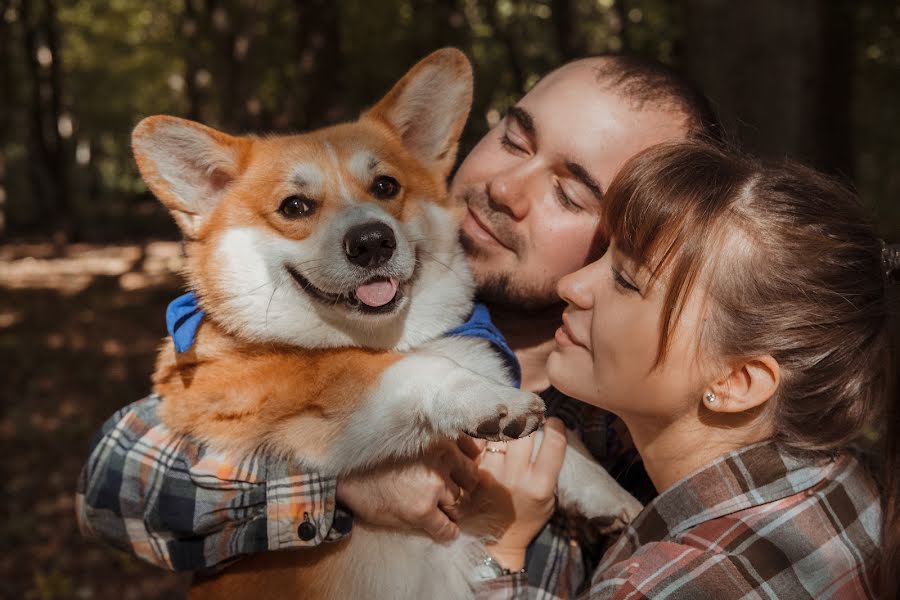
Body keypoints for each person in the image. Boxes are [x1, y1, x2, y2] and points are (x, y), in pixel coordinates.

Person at [76, 54, 719, 595]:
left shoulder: (629, 429)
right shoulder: (270, 349)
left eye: (570, 193)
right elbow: (112, 480)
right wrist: (337, 485)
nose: (506, 189)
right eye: (514, 141)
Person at [475, 142, 898, 599]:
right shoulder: (847, 480)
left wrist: (500, 546)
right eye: (605, 254)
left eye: (626, 281)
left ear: (735, 382)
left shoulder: (664, 586)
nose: (570, 286)